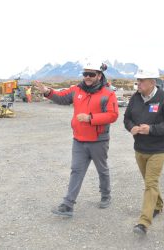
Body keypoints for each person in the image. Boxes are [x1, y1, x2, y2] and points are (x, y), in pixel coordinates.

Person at [35, 60, 118, 217]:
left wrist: (90, 118)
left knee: (102, 170)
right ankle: (68, 205)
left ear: (99, 75)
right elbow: (61, 97)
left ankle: (106, 195)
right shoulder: (76, 90)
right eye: (85, 73)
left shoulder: (108, 94)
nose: (87, 77)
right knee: (76, 171)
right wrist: (47, 91)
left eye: (91, 74)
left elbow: (113, 115)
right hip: (79, 140)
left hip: (99, 141)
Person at [124, 66, 164, 235]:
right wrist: (132, 127)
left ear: (152, 82)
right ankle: (158, 204)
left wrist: (152, 129)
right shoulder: (135, 98)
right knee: (150, 182)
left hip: (158, 149)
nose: (138, 83)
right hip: (140, 148)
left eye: (141, 80)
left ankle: (143, 222)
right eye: (138, 80)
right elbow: (127, 118)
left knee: (150, 183)